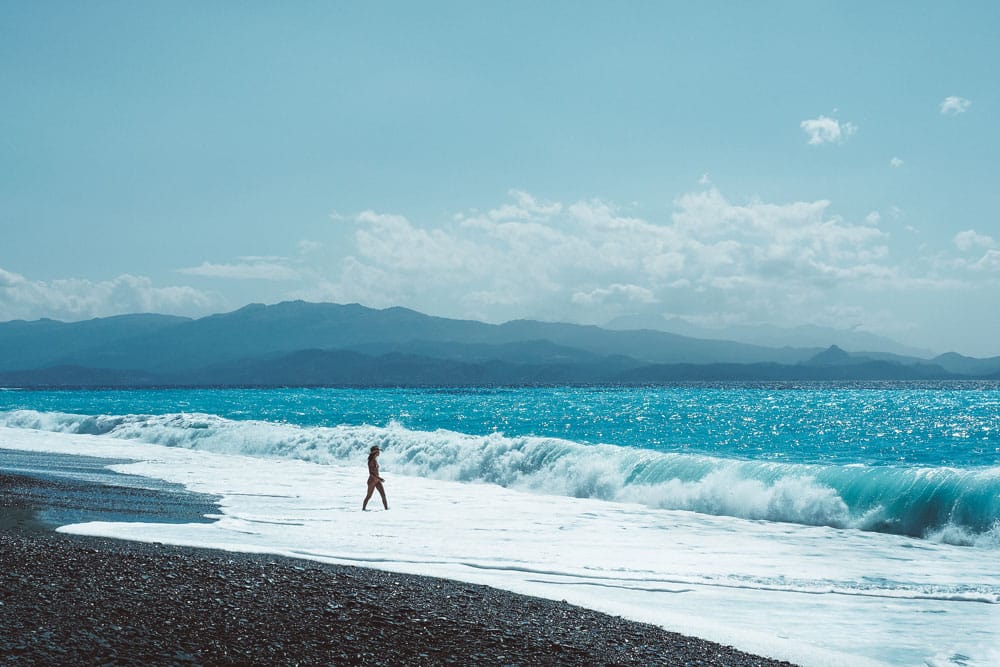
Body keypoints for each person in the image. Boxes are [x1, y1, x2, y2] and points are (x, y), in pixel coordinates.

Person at [362, 445, 388, 510]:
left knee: (383, 495)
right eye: (378, 451)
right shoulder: (371, 461)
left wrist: (378, 479)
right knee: (369, 496)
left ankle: (386, 509)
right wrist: (380, 478)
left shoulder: (375, 460)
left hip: (377, 480)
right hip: (372, 481)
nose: (379, 452)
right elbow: (371, 473)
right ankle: (363, 509)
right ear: (375, 452)